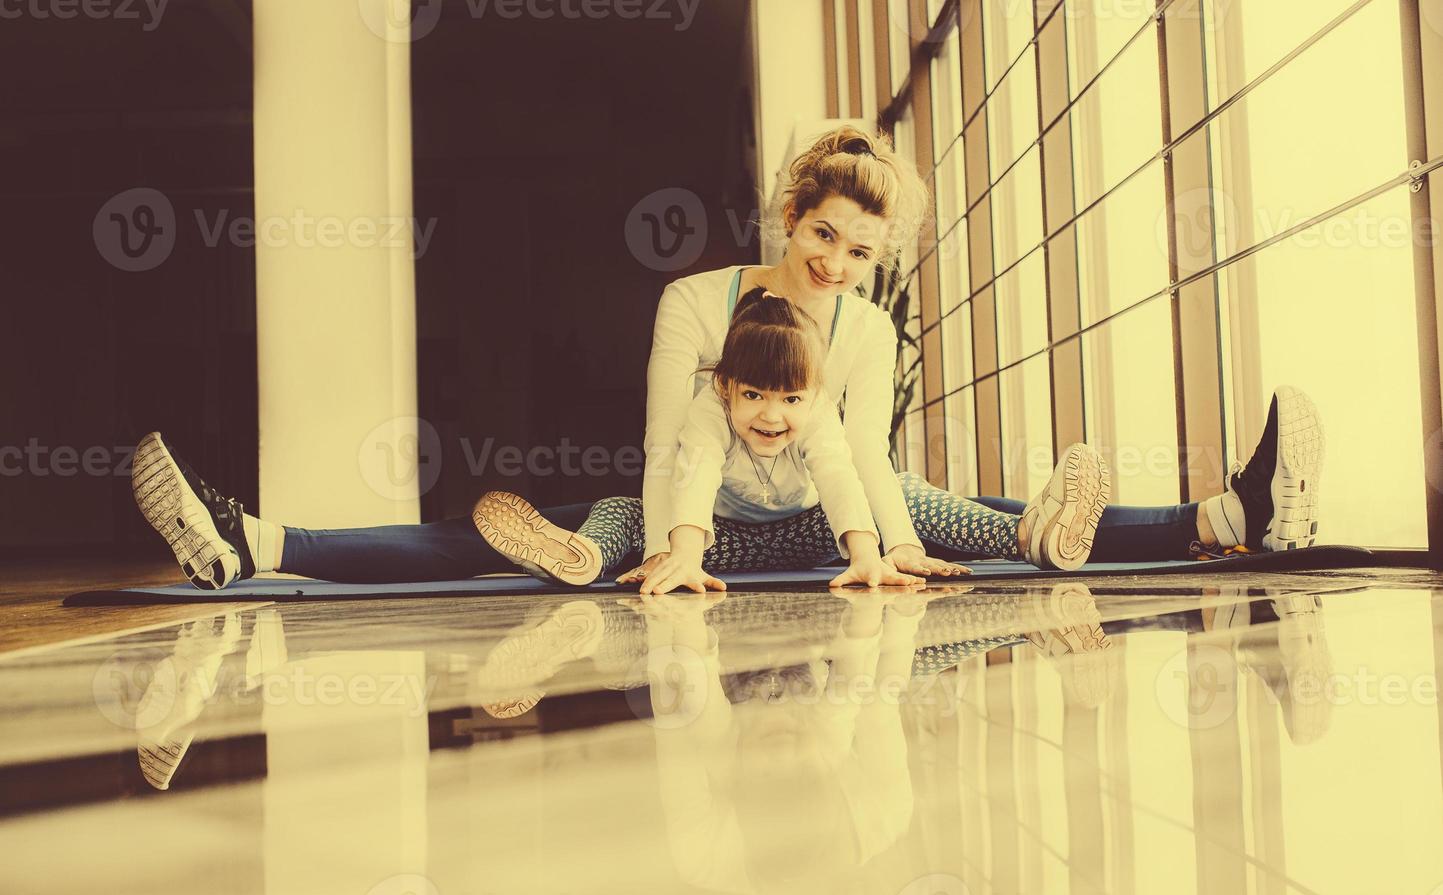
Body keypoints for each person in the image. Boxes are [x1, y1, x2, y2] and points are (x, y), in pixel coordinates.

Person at [129, 125, 1322, 591]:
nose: (838, 266)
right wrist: (670, 547)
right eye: (823, 237)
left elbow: (858, 450)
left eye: (861, 252)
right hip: (698, 513)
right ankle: (256, 540)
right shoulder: (697, 304)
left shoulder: (868, 327)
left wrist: (883, 548)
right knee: (541, 521)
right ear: (786, 214)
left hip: (824, 515)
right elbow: (671, 439)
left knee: (938, 502)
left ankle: (1221, 511)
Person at [472, 287, 1109, 594]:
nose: (771, 415)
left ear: (813, 392)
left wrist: (865, 555)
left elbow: (837, 474)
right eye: (753, 395)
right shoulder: (707, 413)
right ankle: (582, 554)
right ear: (725, 386)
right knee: (623, 513)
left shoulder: (818, 415)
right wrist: (685, 557)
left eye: (789, 398)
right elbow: (691, 476)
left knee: (908, 495)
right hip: (720, 545)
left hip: (811, 536)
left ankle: (1028, 536)